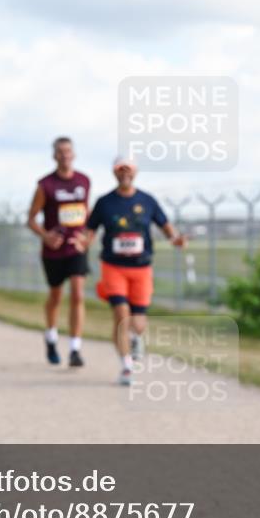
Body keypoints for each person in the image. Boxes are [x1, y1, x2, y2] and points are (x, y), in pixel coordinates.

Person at [76, 156, 186, 386]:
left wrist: (175, 239)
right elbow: (90, 230)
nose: (124, 173)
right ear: (114, 172)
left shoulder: (147, 200)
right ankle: (126, 366)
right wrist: (84, 242)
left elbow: (165, 225)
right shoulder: (104, 202)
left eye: (129, 169)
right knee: (121, 315)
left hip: (141, 267)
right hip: (113, 266)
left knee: (138, 323)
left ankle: (136, 339)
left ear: (135, 172)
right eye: (120, 170)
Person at [27, 136, 91, 367]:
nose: (65, 155)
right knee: (56, 296)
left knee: (78, 294)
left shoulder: (84, 181)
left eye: (68, 151)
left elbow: (86, 212)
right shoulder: (45, 185)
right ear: (54, 156)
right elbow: (31, 219)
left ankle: (75, 348)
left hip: (76, 247)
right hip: (53, 251)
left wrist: (87, 237)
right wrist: (46, 236)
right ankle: (51, 336)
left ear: (74, 154)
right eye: (60, 152)